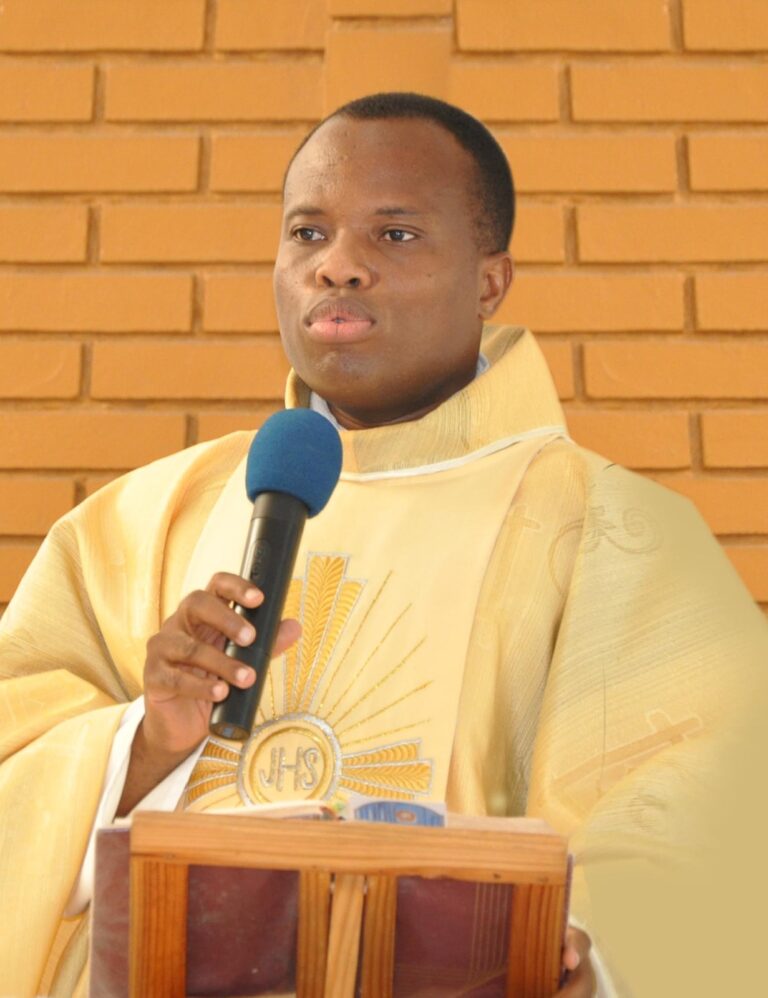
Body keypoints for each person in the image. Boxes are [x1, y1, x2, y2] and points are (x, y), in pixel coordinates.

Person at [1, 92, 765, 998]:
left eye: (394, 235)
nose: (338, 266)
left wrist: (590, 957)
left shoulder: (616, 534)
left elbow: (712, 818)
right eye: (308, 234)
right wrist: (142, 745)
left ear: (489, 282)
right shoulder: (140, 521)